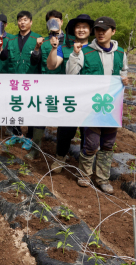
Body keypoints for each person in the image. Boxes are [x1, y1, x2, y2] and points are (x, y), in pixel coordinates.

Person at [66, 16, 129, 194]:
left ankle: (102, 178)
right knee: (91, 143)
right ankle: (84, 175)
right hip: (91, 107)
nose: (100, 33)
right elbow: (71, 76)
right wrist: (75, 54)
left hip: (111, 106)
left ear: (113, 31)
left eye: (105, 30)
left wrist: (124, 79)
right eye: (97, 30)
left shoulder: (120, 53)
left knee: (108, 143)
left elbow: (124, 72)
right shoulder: (85, 52)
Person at [47, 14, 93, 173]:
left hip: (89, 97)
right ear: (74, 29)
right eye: (78, 26)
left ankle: (84, 163)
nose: (81, 30)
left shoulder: (95, 48)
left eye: (85, 27)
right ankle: (60, 158)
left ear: (90, 30)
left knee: (88, 131)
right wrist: (54, 48)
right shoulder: (64, 47)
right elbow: (52, 65)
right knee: (65, 129)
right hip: (70, 97)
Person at [22, 10, 64, 160]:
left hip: (64, 87)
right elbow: (34, 63)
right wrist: (37, 48)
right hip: (45, 85)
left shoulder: (69, 41)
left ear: (62, 22)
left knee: (64, 120)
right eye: (50, 21)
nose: (54, 24)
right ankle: (35, 149)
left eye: (57, 20)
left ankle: (60, 155)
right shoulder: (43, 41)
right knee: (40, 118)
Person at [0, 11, 43, 145]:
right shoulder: (11, 41)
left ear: (31, 22)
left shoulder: (38, 39)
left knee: (30, 107)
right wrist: (0, 50)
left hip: (30, 81)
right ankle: (17, 134)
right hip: (14, 81)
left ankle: (29, 137)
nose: (22, 22)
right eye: (19, 20)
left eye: (25, 20)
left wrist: (36, 48)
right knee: (15, 106)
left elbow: (38, 60)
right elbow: (4, 58)